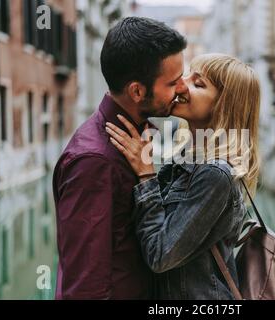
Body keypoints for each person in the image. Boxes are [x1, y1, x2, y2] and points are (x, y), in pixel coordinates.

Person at [52, 17, 188, 299]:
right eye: (173, 82)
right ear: (137, 91)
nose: (183, 88)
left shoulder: (139, 138)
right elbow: (84, 287)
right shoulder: (94, 161)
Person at [105, 53, 261, 299]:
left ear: (224, 105)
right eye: (188, 75)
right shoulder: (188, 158)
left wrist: (146, 175)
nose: (181, 85)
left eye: (198, 84)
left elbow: (160, 256)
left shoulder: (215, 174)